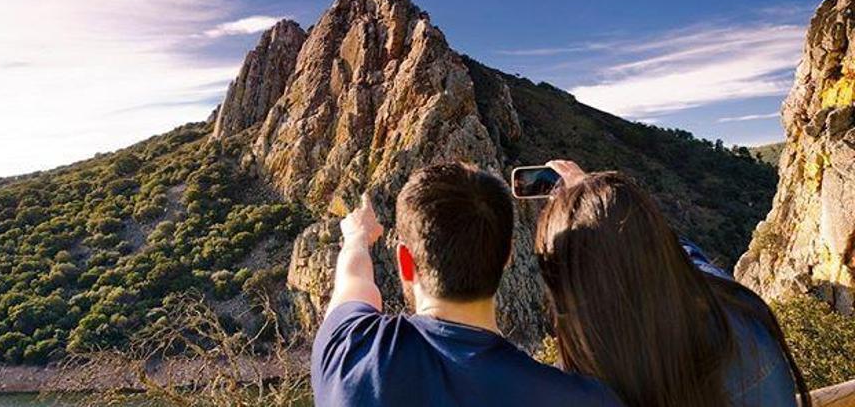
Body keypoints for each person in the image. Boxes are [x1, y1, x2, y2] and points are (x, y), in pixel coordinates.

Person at [311, 163, 623, 407]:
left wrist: (357, 236)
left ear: (405, 262)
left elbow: (354, 279)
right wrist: (587, 202)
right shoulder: (576, 398)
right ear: (507, 256)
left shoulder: (348, 356)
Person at [534, 159, 812, 407]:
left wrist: (583, 209)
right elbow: (681, 257)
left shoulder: (581, 385)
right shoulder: (739, 313)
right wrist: (596, 200)